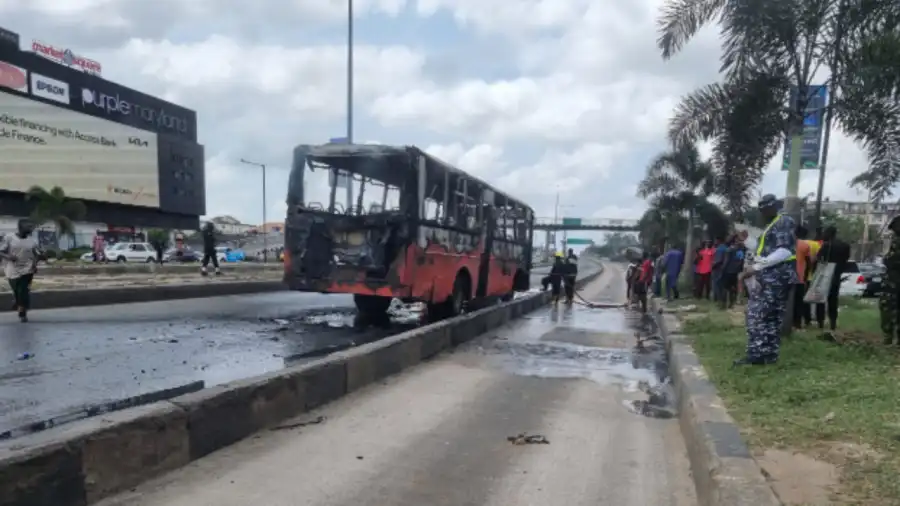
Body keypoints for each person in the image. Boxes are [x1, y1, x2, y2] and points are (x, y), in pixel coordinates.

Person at [736, 194, 797, 366]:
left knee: (757, 316)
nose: (761, 213)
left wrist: (755, 268)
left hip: (775, 278)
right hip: (775, 277)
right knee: (770, 319)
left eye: (763, 210)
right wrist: (747, 241)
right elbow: (766, 250)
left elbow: (784, 251)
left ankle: (757, 356)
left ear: (772, 206)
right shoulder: (774, 224)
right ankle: (768, 355)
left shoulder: (783, 221)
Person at [0, 219, 42, 322]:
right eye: (28, 226)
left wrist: (35, 264)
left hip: (28, 269)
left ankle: (22, 312)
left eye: (31, 227)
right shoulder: (9, 238)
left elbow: (37, 254)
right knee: (16, 290)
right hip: (12, 269)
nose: (30, 229)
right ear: (20, 227)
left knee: (23, 290)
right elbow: (1, 251)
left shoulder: (32, 241)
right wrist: (8, 256)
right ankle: (18, 302)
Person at [816, 225, 851, 334]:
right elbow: (846, 259)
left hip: (825, 275)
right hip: (836, 275)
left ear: (828, 234)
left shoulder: (826, 245)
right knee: (833, 300)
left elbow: (819, 258)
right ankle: (833, 323)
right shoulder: (845, 246)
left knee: (821, 300)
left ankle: (820, 323)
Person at [879, 218, 900, 344]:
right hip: (892, 279)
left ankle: (888, 336)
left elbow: (889, 260)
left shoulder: (895, 241)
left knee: (887, 307)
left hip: (893, 281)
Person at [792, 226, 813, 328]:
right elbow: (809, 263)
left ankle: (788, 323)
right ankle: (797, 323)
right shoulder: (805, 245)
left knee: (787, 302)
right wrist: (805, 277)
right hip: (800, 278)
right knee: (799, 302)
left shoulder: (786, 244)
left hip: (786, 278)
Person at [720, 235, 744, 309]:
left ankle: (723, 305)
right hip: (736, 272)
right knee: (733, 288)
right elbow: (741, 261)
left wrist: (722, 269)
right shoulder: (740, 251)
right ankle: (731, 304)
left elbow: (726, 261)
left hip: (728, 271)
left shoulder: (729, 250)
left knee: (725, 288)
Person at [711, 238, 729, 303]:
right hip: (725, 269)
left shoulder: (720, 249)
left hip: (718, 268)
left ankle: (718, 298)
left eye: (716, 240)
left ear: (719, 241)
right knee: (723, 285)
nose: (715, 242)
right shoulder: (727, 248)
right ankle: (723, 299)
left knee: (717, 284)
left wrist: (712, 266)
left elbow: (718, 260)